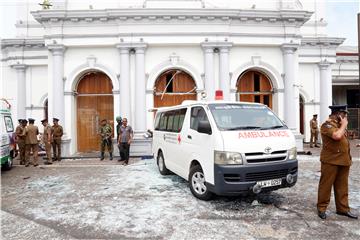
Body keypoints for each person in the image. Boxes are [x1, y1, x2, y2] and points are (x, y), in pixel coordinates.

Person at [316, 105, 358, 220]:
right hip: (330, 161)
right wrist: (344, 125)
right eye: (344, 115)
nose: (345, 117)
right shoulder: (327, 125)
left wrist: (343, 126)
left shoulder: (339, 126)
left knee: (342, 187)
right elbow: (336, 136)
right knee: (326, 186)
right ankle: (321, 208)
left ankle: (343, 209)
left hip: (343, 161)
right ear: (338, 114)